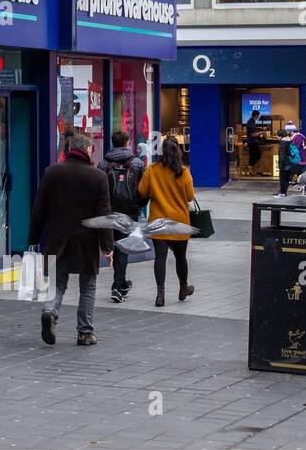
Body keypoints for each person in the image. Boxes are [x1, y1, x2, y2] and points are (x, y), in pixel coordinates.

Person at [30, 129, 113, 346]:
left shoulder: (52, 172)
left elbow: (39, 208)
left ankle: (49, 310)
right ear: (87, 150)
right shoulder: (99, 177)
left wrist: (33, 237)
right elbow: (103, 214)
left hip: (57, 238)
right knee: (88, 285)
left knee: (57, 283)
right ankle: (85, 333)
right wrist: (108, 246)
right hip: (86, 240)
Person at [138, 137, 196, 306]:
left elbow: (142, 191)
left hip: (158, 221)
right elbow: (190, 196)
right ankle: (183, 288)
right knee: (181, 258)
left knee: (160, 258)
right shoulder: (183, 171)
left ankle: (160, 295)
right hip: (179, 222)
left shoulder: (152, 170)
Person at [101, 130, 146, 304]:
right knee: (123, 248)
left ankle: (121, 283)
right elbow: (144, 189)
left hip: (109, 212)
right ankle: (118, 286)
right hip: (129, 212)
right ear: (127, 143)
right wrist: (139, 205)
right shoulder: (138, 164)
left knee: (114, 246)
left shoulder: (103, 164)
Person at [276, 121, 306, 196]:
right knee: (301, 177)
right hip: (301, 160)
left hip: (297, 160)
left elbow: (292, 150)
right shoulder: (301, 136)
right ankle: (284, 191)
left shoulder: (296, 138)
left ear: (290, 131)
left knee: (286, 177)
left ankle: (283, 191)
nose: (287, 133)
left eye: (287, 131)